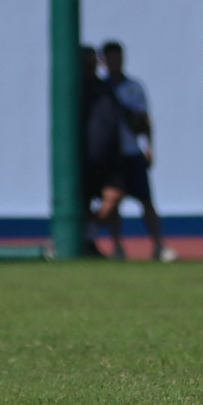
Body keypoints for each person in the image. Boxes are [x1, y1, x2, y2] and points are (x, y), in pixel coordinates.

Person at [98, 40, 178, 263]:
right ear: (103, 61)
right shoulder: (100, 88)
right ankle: (116, 246)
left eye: (118, 57)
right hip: (112, 154)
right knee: (112, 201)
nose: (115, 62)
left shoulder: (134, 87)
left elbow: (145, 119)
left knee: (146, 200)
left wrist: (149, 147)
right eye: (111, 58)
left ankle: (159, 245)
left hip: (133, 151)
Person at [80, 44, 123, 259]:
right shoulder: (76, 89)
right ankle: (87, 244)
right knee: (84, 203)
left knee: (114, 196)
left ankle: (90, 235)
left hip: (109, 157)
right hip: (86, 158)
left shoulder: (105, 87)